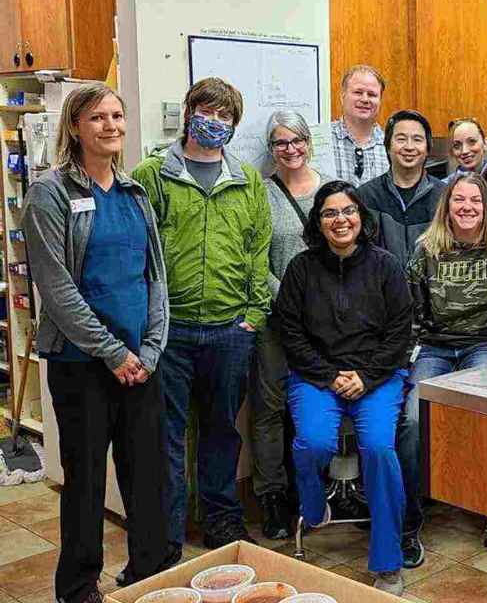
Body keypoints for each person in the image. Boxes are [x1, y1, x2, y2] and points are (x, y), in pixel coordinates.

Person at [22, 83, 171, 603]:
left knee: (147, 474)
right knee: (85, 481)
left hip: (140, 364)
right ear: (75, 127)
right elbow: (56, 287)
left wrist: (149, 349)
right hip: (81, 362)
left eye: (117, 115)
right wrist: (113, 352)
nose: (110, 125)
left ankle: (148, 569)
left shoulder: (135, 194)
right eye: (97, 118)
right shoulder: (50, 193)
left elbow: (155, 278)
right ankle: (79, 586)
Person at [132, 77, 272, 556]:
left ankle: (222, 526)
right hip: (169, 332)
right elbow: (139, 252)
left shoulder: (247, 179)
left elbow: (258, 250)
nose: (214, 122)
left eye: (224, 117)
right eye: (206, 112)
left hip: (230, 330)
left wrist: (253, 314)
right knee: (166, 437)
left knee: (221, 433)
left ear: (233, 126)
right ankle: (166, 538)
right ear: (190, 112)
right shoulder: (152, 175)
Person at [273, 181, 412, 595]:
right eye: (330, 213)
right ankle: (313, 505)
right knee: (313, 443)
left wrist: (366, 377)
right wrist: (331, 375)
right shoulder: (301, 269)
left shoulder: (386, 266)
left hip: (377, 377)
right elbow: (290, 333)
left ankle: (387, 563)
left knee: (379, 449)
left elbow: (399, 333)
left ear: (362, 217)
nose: (341, 220)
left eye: (348, 211)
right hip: (318, 377)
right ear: (319, 222)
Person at [398, 172, 487, 568]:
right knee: (411, 420)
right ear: (446, 206)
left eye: (475, 201)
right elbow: (411, 312)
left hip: (485, 346)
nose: (467, 207)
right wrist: (406, 364)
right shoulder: (426, 249)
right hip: (436, 348)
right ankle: (408, 525)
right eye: (459, 200)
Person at [251, 111, 330, 540]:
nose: (290, 149)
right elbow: (254, 258)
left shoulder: (329, 190)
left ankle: (310, 490)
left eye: (296, 139)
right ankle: (271, 497)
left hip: (326, 323)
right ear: (271, 149)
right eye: (280, 143)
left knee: (312, 407)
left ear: (308, 141)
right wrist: (290, 299)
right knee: (270, 409)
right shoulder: (260, 195)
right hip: (276, 318)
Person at [358, 109, 445, 267]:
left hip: (432, 290)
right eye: (401, 139)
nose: (409, 147)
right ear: (388, 146)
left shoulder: (445, 195)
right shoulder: (366, 196)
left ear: (427, 148)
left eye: (417, 139)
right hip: (381, 289)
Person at [331, 64, 390, 186]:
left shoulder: (390, 146)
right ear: (342, 97)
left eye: (372, 94)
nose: (365, 99)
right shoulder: (321, 141)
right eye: (358, 92)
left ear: (380, 101)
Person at [443, 117, 487, 183]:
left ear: (485, 143)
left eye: (472, 141)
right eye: (457, 146)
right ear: (452, 152)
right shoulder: (444, 187)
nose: (464, 151)